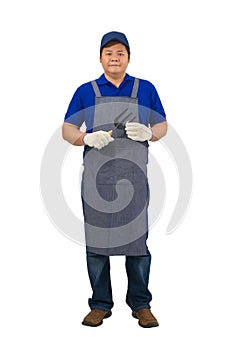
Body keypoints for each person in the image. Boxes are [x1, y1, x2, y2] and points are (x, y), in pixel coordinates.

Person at [62, 31, 167, 328]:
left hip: (133, 180)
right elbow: (67, 130)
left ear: (128, 58)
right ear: (100, 58)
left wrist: (152, 133)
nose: (114, 58)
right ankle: (100, 304)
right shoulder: (86, 91)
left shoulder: (145, 88)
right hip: (97, 180)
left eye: (120, 53)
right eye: (109, 53)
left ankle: (141, 304)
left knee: (137, 244)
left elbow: (162, 124)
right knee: (96, 245)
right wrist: (86, 137)